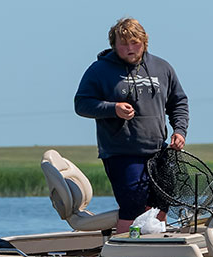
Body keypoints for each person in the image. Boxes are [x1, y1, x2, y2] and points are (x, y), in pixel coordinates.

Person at [74, 18, 189, 233]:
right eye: (123, 44)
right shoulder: (99, 70)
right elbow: (81, 104)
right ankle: (123, 255)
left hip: (158, 149)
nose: (129, 49)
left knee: (162, 202)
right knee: (132, 205)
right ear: (114, 45)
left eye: (134, 42)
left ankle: (156, 249)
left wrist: (179, 131)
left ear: (144, 42)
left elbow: (178, 102)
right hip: (121, 151)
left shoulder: (162, 67)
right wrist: (113, 108)